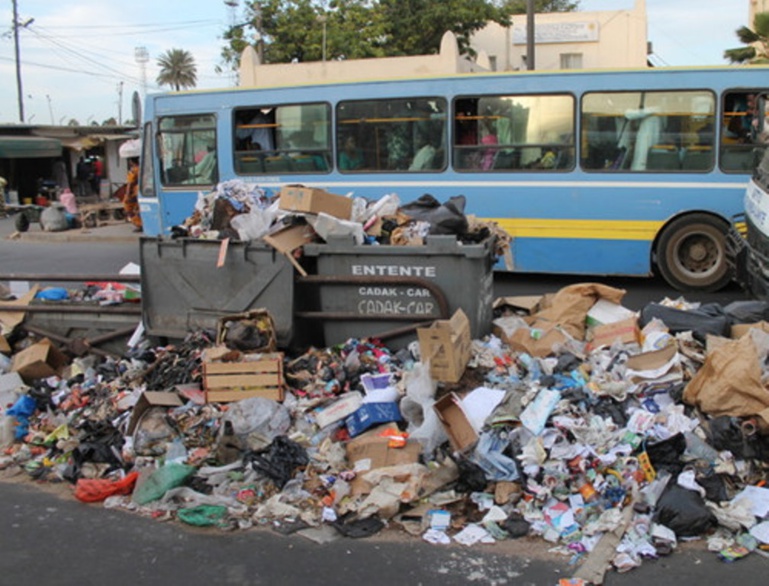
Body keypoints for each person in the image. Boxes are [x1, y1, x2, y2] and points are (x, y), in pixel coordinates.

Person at [123, 158, 142, 232]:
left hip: (134, 192)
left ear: (131, 162)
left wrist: (127, 195)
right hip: (143, 191)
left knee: (128, 208)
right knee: (139, 208)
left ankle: (139, 224)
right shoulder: (144, 168)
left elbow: (130, 183)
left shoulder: (133, 170)